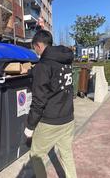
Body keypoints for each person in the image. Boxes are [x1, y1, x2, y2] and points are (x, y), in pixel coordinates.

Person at [23, 30, 77, 178]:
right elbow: (55, 82)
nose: (35, 50)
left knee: (36, 154)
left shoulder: (43, 65)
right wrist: (33, 72)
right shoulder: (65, 61)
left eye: (34, 47)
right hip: (68, 117)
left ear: (39, 45)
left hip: (50, 122)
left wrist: (30, 126)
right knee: (66, 153)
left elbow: (39, 101)